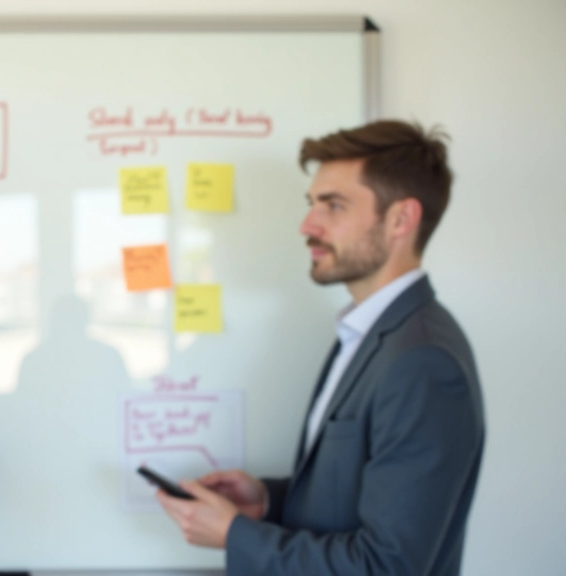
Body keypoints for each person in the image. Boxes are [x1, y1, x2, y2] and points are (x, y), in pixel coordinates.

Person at [156, 120, 485, 575]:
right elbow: (352, 493)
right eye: (312, 204)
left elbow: (387, 566)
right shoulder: (367, 333)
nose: (307, 225)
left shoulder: (422, 362)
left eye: (333, 205)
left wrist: (236, 536)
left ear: (401, 219)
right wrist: (269, 500)